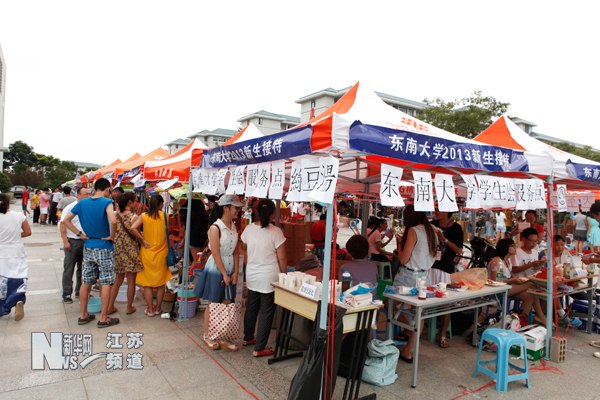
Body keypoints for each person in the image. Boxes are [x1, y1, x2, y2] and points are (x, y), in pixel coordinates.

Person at [62, 178, 119, 328]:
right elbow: (114, 221)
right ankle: (103, 318)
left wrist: (79, 234)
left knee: (86, 281)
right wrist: (112, 236)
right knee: (105, 282)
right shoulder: (107, 202)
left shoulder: (82, 203)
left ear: (94, 189)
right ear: (107, 189)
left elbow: (66, 221)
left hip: (88, 245)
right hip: (104, 246)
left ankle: (84, 315)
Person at [193, 195, 242, 351]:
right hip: (216, 269)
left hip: (229, 268)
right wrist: (224, 274)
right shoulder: (215, 228)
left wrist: (236, 272)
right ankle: (208, 335)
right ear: (225, 208)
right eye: (236, 208)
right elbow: (215, 253)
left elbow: (236, 251)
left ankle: (223, 335)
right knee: (214, 302)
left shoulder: (233, 226)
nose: (238, 210)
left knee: (226, 301)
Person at [241, 199, 287, 357]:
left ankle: (248, 338)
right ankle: (259, 347)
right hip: (269, 277)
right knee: (266, 312)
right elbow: (282, 258)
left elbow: (244, 246)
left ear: (256, 211)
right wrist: (284, 275)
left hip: (252, 275)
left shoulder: (249, 228)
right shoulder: (276, 231)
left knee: (251, 308)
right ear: (273, 213)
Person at [395, 205, 437, 363]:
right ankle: (408, 348)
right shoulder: (432, 230)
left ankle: (407, 332)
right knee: (418, 313)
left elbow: (403, 259)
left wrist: (399, 243)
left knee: (388, 303)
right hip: (425, 276)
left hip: (408, 276)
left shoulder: (413, 231)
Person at [488, 239, 547, 326]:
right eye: (512, 246)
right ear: (505, 247)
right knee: (531, 285)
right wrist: (513, 280)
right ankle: (540, 316)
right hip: (499, 290)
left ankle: (519, 322)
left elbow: (508, 277)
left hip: (507, 287)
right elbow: (494, 282)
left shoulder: (508, 261)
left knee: (529, 296)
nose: (515, 248)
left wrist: (515, 279)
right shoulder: (497, 262)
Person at [130, 194, 172, 317]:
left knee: (147, 284)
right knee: (160, 283)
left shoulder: (144, 216)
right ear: (161, 204)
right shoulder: (166, 216)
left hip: (147, 253)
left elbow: (133, 227)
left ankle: (150, 310)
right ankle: (158, 308)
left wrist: (142, 239)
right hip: (162, 254)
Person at [106, 192, 144, 315]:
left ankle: (110, 306)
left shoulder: (115, 216)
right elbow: (138, 235)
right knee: (131, 281)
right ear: (130, 202)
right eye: (135, 200)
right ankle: (129, 307)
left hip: (118, 251)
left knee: (118, 280)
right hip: (131, 251)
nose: (136, 203)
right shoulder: (134, 217)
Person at [429, 210, 463, 348]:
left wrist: (443, 238)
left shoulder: (456, 228)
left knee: (445, 302)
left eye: (439, 209)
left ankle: (443, 333)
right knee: (425, 296)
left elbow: (459, 250)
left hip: (445, 268)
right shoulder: (432, 224)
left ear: (447, 211)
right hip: (430, 266)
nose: (436, 211)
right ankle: (420, 328)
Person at [0, 193, 32, 320]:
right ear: (9, 203)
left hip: (1, 253)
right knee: (18, 278)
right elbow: (28, 232)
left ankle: (2, 307)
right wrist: (16, 235)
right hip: (16, 252)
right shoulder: (19, 216)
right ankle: (17, 300)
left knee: (2, 281)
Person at [539, 235, 582, 327]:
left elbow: (572, 269)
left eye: (562, 244)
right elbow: (543, 270)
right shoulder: (545, 254)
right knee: (551, 289)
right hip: (547, 283)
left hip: (564, 282)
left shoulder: (567, 254)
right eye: (557, 245)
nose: (560, 247)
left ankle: (544, 317)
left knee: (582, 293)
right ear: (551, 245)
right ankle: (560, 315)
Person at [60, 187, 91, 303]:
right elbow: (63, 224)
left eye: (89, 194)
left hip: (86, 241)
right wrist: (65, 241)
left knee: (83, 268)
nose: (88, 196)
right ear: (78, 195)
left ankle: (80, 290)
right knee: (69, 268)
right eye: (85, 194)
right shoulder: (70, 207)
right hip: (73, 241)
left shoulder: (88, 207)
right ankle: (67, 293)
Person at [178, 198, 209, 269]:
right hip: (203, 238)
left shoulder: (190, 215)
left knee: (197, 261)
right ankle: (193, 275)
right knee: (200, 261)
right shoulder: (205, 214)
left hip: (193, 239)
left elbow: (188, 229)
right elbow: (208, 226)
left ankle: (190, 275)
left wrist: (183, 240)